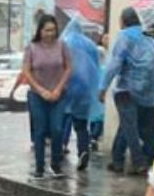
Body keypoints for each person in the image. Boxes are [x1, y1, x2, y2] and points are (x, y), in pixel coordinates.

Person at [99, 7, 154, 176]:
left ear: (123, 20)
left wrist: (102, 87)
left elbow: (115, 63)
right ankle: (117, 161)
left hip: (127, 89)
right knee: (134, 125)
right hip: (150, 90)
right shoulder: (150, 35)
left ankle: (139, 161)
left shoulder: (125, 36)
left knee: (131, 127)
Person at [22, 14, 71, 178]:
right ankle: (39, 166)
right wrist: (40, 90)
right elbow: (26, 71)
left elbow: (68, 68)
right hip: (37, 95)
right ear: (40, 31)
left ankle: (56, 164)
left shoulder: (62, 46)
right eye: (47, 30)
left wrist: (58, 89)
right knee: (40, 130)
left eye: (53, 30)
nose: (50, 33)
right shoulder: (32, 47)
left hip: (58, 95)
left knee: (57, 129)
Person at [61, 19, 101, 171]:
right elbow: (96, 68)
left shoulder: (64, 42)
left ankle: (61, 147)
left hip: (66, 86)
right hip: (85, 89)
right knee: (81, 123)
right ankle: (83, 150)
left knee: (63, 119)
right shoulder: (90, 45)